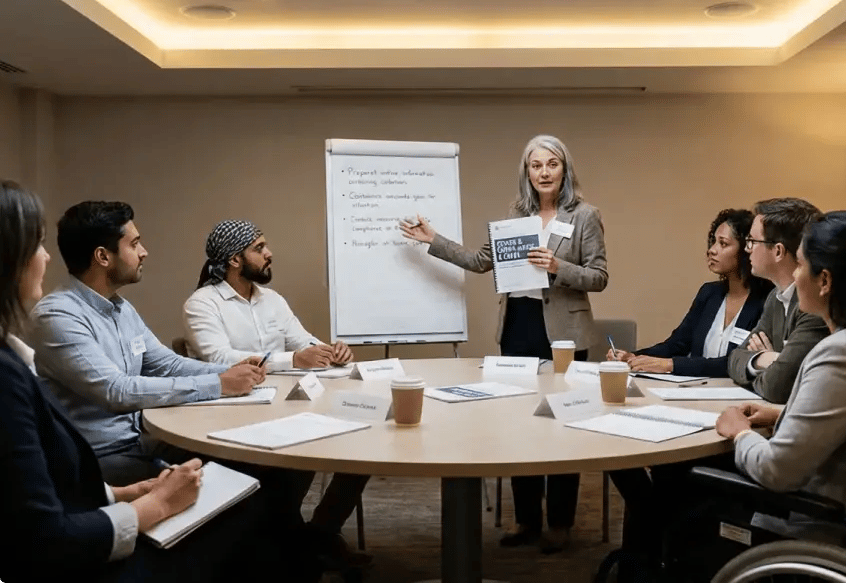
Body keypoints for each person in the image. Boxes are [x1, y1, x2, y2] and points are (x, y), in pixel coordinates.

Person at [0, 181, 311, 583]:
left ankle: (296, 554)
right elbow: (116, 390)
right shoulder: (58, 316)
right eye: (135, 243)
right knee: (252, 493)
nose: (144, 251)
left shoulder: (120, 309)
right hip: (108, 454)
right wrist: (220, 385)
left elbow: (165, 363)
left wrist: (231, 375)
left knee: (268, 466)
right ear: (103, 256)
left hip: (143, 440)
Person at [400, 134, 608, 553]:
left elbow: (599, 277)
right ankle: (527, 519)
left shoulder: (585, 215)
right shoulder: (517, 214)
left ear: (564, 169)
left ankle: (560, 523)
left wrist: (557, 265)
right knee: (522, 425)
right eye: (536, 166)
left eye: (552, 164)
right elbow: (481, 262)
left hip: (564, 334)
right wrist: (433, 239)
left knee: (561, 425)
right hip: (518, 325)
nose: (544, 172)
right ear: (526, 172)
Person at [716, 210, 846, 540]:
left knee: (680, 498)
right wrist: (783, 413)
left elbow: (776, 471)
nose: (795, 274)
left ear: (825, 281)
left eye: (800, 265)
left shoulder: (844, 352)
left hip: (811, 531)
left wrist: (739, 433)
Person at [183, 219, 370, 556]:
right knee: (305, 453)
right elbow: (217, 358)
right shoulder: (203, 303)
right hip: (233, 414)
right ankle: (292, 539)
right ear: (234, 260)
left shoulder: (272, 300)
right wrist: (294, 359)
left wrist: (332, 351)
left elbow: (303, 342)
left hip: (288, 406)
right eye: (259, 248)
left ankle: (320, 532)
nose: (269, 254)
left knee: (364, 446)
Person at [607, 208, 772, 376]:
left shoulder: (767, 300)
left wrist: (671, 365)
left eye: (723, 244)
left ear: (746, 249)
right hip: (696, 391)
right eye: (713, 242)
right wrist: (633, 357)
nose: (712, 250)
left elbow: (735, 362)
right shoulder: (709, 293)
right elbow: (677, 344)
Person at [727, 197, 830, 402]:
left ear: (778, 251)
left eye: (752, 242)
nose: (747, 249)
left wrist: (776, 369)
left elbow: (778, 387)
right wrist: (768, 359)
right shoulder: (775, 297)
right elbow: (734, 358)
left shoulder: (815, 304)